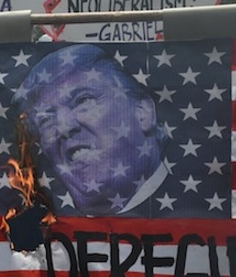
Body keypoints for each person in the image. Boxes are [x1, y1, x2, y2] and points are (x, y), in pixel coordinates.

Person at [12, 44, 169, 217]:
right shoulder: (37, 227)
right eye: (46, 119)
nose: (64, 127)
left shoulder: (201, 216)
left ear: (143, 112)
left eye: (83, 100)